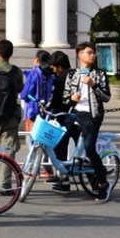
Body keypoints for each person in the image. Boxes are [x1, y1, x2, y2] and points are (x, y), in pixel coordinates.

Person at [64, 41, 112, 202]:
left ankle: (102, 183)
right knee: (59, 138)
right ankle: (62, 177)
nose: (92, 55)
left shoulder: (100, 74)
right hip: (75, 113)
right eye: (89, 52)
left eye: (93, 53)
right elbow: (65, 98)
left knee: (89, 148)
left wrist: (94, 85)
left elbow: (106, 97)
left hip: (92, 115)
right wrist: (71, 98)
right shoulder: (72, 74)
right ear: (80, 55)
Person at [47, 50, 74, 192]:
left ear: (59, 66)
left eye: (53, 66)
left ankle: (65, 182)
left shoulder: (60, 79)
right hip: (77, 117)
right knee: (84, 149)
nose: (52, 69)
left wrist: (48, 107)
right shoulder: (74, 75)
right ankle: (94, 180)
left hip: (64, 117)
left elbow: (56, 100)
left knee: (60, 148)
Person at [21, 49, 53, 132]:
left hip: (33, 110)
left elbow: (25, 95)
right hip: (48, 111)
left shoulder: (33, 73)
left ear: (37, 60)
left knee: (32, 137)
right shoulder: (52, 75)